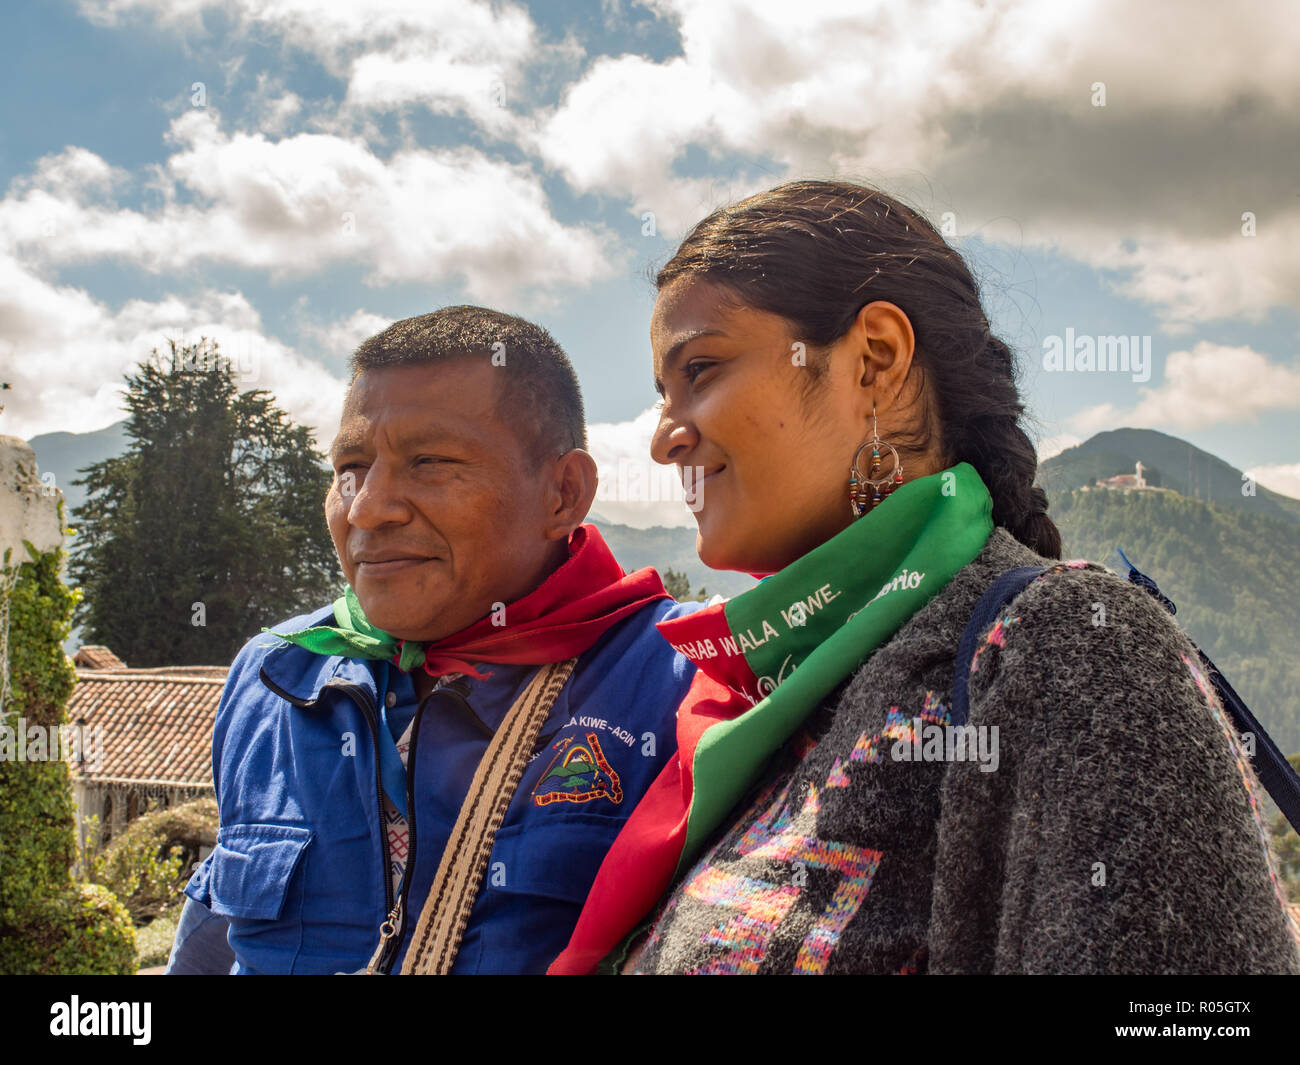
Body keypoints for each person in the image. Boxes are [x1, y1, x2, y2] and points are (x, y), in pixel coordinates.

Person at [549, 180, 1300, 975]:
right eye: (663, 392)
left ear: (875, 358)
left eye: (700, 368)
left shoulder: (1062, 644)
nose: (665, 437)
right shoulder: (761, 703)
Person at [166, 306, 699, 975]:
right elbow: (215, 939)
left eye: (428, 461)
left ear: (564, 492)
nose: (367, 508)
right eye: (351, 467)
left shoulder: (682, 678)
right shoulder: (277, 674)